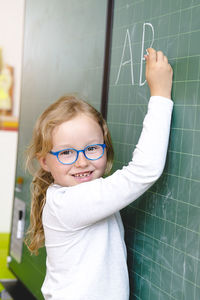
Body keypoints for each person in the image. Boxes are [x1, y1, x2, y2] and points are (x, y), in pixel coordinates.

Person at [25, 48, 173, 300]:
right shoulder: (70, 202)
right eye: (67, 153)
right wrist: (160, 95)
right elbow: (144, 170)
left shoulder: (72, 196)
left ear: (105, 147)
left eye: (92, 148)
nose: (82, 162)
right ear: (45, 162)